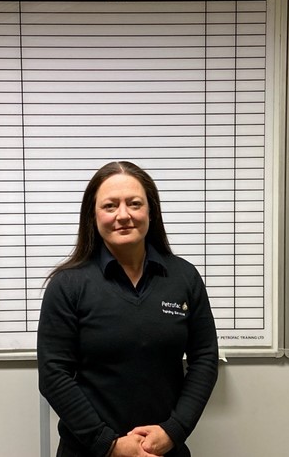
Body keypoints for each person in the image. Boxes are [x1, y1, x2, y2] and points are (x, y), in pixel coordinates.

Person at [37, 161, 219, 457]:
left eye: (134, 204)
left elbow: (205, 358)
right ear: (93, 215)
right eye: (110, 206)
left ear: (151, 211)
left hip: (163, 449)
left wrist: (174, 430)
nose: (123, 215)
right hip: (89, 450)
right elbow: (53, 374)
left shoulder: (184, 277)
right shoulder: (68, 285)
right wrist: (109, 444)